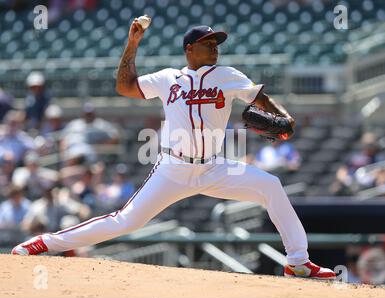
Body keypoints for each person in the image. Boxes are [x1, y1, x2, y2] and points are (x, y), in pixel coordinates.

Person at [12, 20, 336, 280]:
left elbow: (258, 97)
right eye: (208, 44)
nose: (214, 48)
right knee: (124, 221)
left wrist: (283, 116)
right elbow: (125, 86)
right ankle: (43, 243)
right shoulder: (169, 79)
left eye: (217, 44)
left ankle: (297, 262)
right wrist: (133, 44)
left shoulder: (227, 75)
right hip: (173, 168)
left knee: (271, 186)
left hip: (214, 167)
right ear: (189, 49)